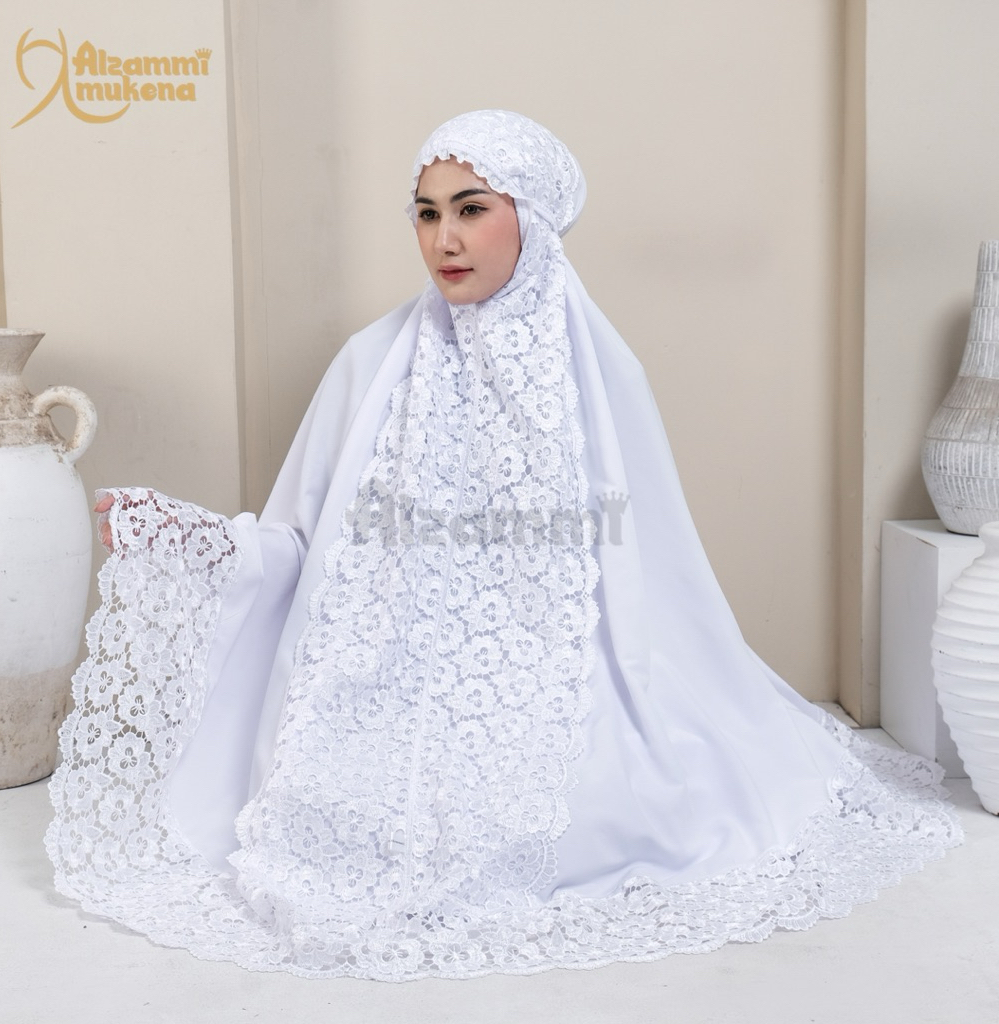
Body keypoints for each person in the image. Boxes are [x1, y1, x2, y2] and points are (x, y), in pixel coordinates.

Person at [47, 111, 960, 981]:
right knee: (337, 821)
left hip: (563, 689)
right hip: (381, 689)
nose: (444, 239)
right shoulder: (369, 365)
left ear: (534, 219)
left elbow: (654, 576)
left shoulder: (601, 377)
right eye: (426, 214)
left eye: (471, 210)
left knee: (591, 812)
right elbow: (296, 541)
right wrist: (190, 540)